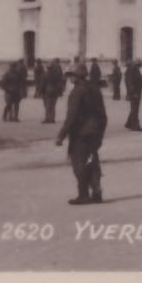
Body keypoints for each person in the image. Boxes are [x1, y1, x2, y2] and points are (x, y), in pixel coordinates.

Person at [55, 65, 106, 205]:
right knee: (92, 162)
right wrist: (100, 134)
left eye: (71, 75)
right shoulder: (95, 90)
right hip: (94, 134)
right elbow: (103, 115)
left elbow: (71, 117)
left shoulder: (77, 92)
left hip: (80, 135)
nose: (69, 78)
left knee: (80, 164)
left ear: (76, 76)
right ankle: (97, 191)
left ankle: (83, 195)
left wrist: (61, 135)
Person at [43, 58, 66, 124]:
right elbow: (60, 81)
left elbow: (43, 84)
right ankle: (52, 119)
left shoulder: (45, 74)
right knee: (53, 105)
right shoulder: (57, 74)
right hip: (55, 91)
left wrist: (41, 91)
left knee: (47, 105)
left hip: (47, 91)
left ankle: (47, 118)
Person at [123, 61, 142, 131]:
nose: (139, 67)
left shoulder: (132, 71)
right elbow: (131, 84)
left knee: (133, 109)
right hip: (135, 93)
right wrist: (134, 93)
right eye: (138, 65)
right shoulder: (132, 72)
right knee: (135, 109)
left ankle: (128, 124)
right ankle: (135, 126)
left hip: (135, 93)